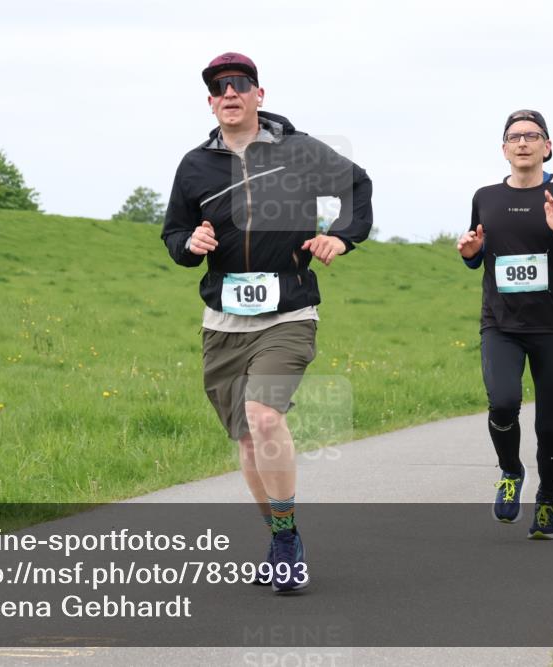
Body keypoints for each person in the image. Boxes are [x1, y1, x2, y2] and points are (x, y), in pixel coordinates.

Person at [162, 52, 372, 591]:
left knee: (262, 417)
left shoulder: (300, 151)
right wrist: (190, 243)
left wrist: (339, 236)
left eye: (239, 84)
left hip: (289, 311)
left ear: (260, 94)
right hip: (223, 320)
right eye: (218, 87)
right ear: (210, 102)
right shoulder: (194, 166)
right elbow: (175, 235)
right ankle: (284, 534)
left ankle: (282, 544)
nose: (229, 93)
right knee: (247, 439)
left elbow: (357, 186)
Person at [457, 109, 553, 540]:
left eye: (532, 136)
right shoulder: (485, 196)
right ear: (504, 149)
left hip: (552, 327)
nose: (523, 142)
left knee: (550, 425)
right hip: (500, 324)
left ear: (547, 146)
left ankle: (549, 502)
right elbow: (477, 254)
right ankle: (510, 471)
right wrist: (470, 252)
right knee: (502, 403)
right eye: (514, 137)